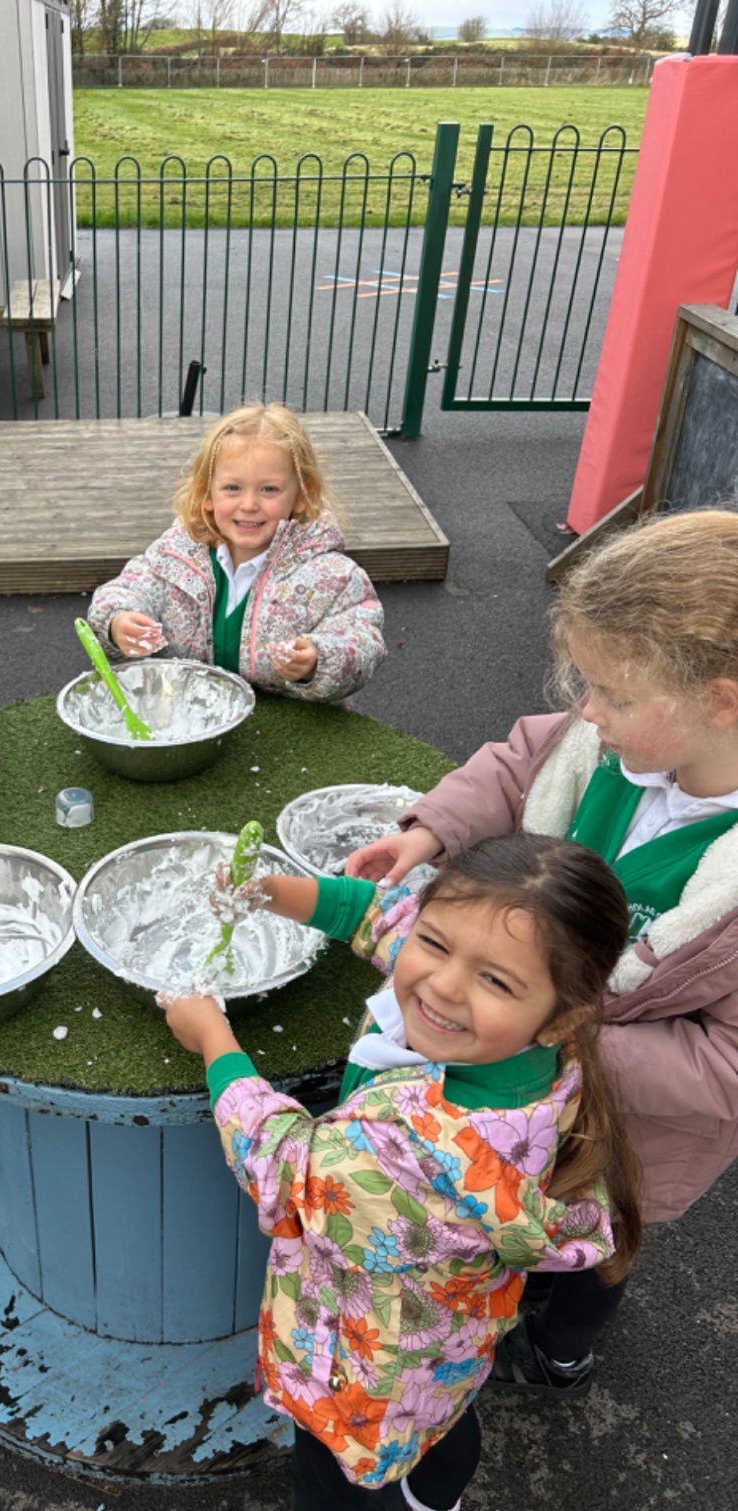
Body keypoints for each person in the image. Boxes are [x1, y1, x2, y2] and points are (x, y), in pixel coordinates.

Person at [161, 833, 640, 1511]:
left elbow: (282, 1166)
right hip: (451, 1334)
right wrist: (274, 891)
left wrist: (214, 1039)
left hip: (357, 1362)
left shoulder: (412, 1148)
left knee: (326, 1486)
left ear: (559, 1016)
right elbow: (385, 916)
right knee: (444, 1415)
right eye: (436, 944)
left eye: (493, 979)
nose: (441, 986)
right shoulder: (550, 1056)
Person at [345, 508, 738, 1399]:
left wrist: (553, 1033)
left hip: (632, 1132)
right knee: (517, 1207)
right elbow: (516, 762)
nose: (588, 711)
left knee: (596, 1245)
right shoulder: (613, 746)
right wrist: (430, 831)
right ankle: (513, 1289)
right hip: (527, 1082)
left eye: (614, 694)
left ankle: (563, 1350)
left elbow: (724, 1064)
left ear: (721, 701)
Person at [86, 403, 385, 703]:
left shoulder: (332, 576)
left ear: (301, 495)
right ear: (206, 493)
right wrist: (118, 622)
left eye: (269, 489)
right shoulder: (175, 554)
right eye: (232, 488)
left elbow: (363, 640)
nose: (249, 505)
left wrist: (318, 661)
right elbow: (126, 589)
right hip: (184, 713)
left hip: (290, 719)